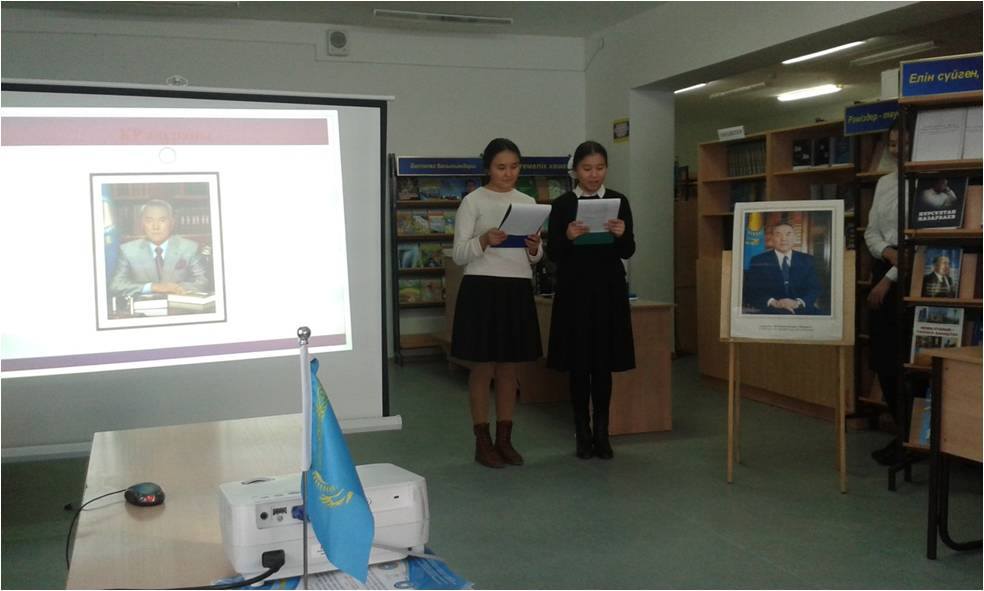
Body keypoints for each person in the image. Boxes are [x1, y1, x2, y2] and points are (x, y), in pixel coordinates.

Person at [451, 138, 543, 469]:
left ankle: (505, 439)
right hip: (482, 288)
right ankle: (483, 441)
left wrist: (534, 247)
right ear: (488, 168)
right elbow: (459, 253)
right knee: (483, 367)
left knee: (509, 368)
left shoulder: (527, 202)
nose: (508, 173)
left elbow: (535, 257)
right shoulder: (473, 201)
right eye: (501, 167)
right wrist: (484, 239)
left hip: (516, 288)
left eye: (514, 167)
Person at [545, 141, 635, 460]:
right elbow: (553, 253)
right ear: (576, 171)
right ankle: (582, 433)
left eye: (600, 168)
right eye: (587, 168)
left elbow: (628, 250)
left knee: (603, 365)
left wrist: (622, 234)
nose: (594, 175)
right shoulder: (563, 204)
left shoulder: (619, 200)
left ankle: (602, 433)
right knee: (579, 365)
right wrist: (568, 237)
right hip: (575, 292)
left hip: (608, 291)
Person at [864, 125, 904, 465]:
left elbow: (921, 239)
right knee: (882, 357)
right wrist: (887, 253)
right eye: (890, 143)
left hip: (905, 277)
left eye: (901, 142)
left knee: (904, 360)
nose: (895, 149)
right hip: (885, 264)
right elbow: (871, 232)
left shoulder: (926, 181)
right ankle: (903, 432)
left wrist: (890, 277)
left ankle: (912, 435)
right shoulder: (885, 182)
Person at [110, 199, 208, 297]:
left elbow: (203, 281)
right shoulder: (128, 251)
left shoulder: (190, 248)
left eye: (162, 220)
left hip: (178, 304)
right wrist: (153, 287)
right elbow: (116, 286)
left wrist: (174, 288)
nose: (155, 227)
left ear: (172, 223)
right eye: (149, 221)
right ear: (142, 224)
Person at [742, 222, 822, 315]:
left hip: (802, 310)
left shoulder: (808, 260)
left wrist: (797, 303)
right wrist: (774, 302)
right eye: (778, 234)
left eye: (788, 234)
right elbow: (752, 290)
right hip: (770, 311)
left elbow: (815, 288)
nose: (783, 238)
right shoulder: (758, 260)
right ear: (772, 238)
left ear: (794, 238)